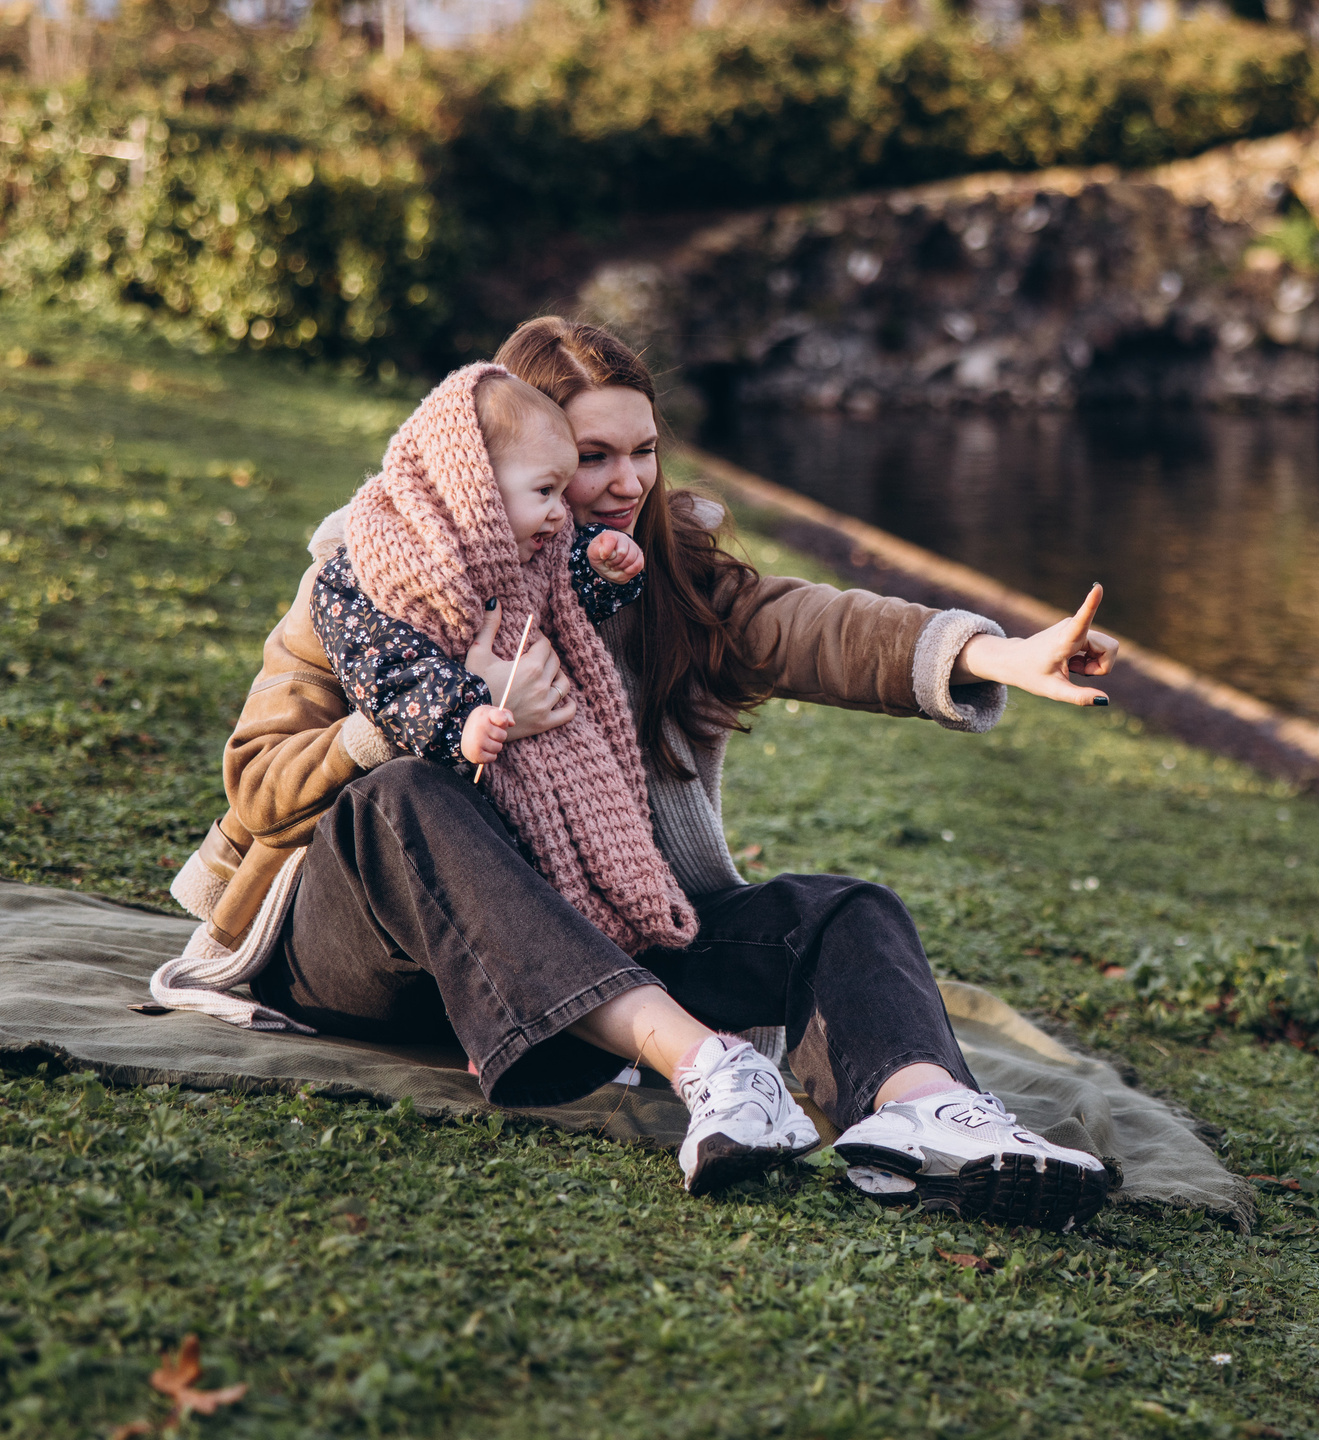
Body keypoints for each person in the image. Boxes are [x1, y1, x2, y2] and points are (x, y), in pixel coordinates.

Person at [156, 319, 1124, 1229]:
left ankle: (921, 1118)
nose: (628, 482)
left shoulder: (641, 576)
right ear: (495, 466)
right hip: (364, 953)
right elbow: (259, 785)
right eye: (591, 458)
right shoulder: (367, 578)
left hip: (598, 934)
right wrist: (431, 711)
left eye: (644, 450)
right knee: (408, 795)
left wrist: (999, 657)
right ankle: (706, 1067)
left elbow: (807, 625)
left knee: (843, 911)